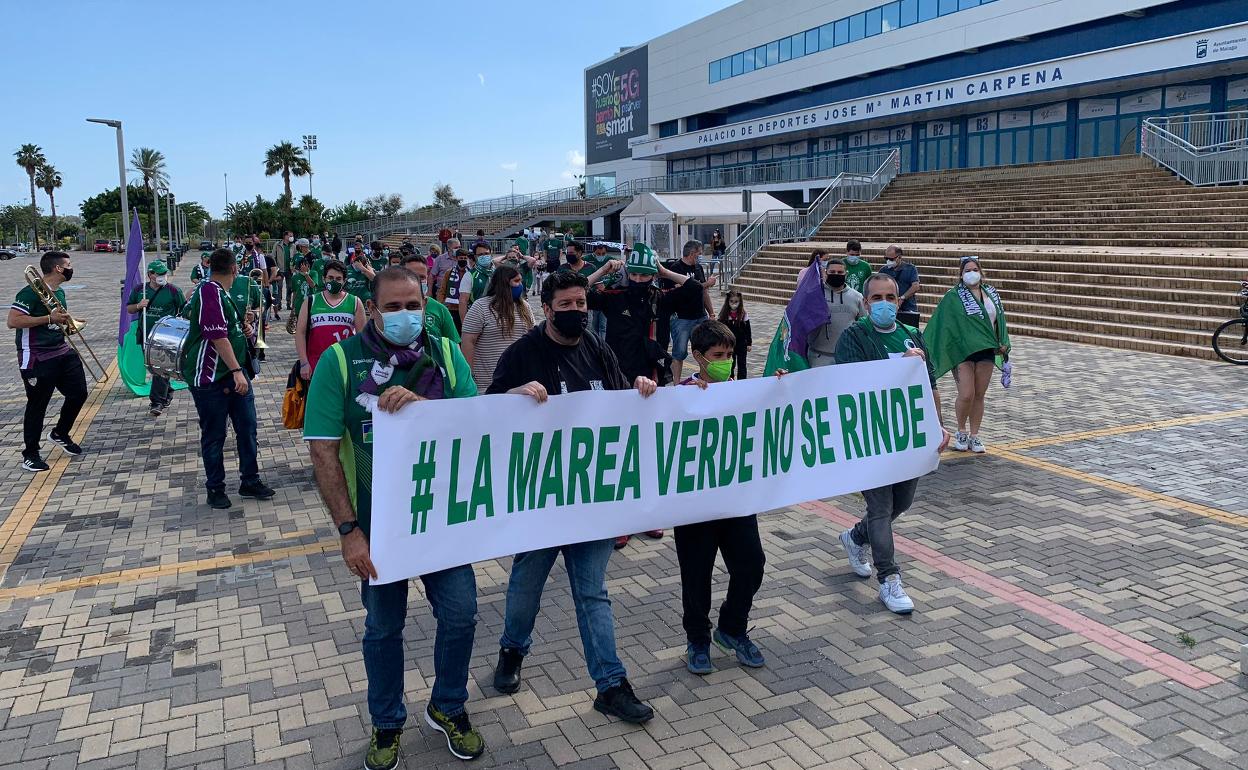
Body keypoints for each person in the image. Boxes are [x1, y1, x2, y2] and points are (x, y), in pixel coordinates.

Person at [304, 267, 484, 768]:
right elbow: (321, 452)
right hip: (377, 527)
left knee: (462, 614)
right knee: (384, 629)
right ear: (373, 308)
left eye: (414, 306)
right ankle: (386, 723)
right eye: (394, 307)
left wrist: (426, 407)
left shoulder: (445, 354)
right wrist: (348, 532)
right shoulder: (339, 362)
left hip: (441, 519)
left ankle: (448, 706)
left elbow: (475, 422)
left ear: (426, 305)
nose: (406, 316)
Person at [487, 270, 657, 725]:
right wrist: (513, 395)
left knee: (593, 594)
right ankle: (512, 651)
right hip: (542, 500)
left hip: (591, 502)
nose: (576, 312)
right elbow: (485, 413)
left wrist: (643, 390)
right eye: (566, 305)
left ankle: (611, 684)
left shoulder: (597, 349)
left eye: (581, 304)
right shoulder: (522, 353)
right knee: (526, 585)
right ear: (547, 309)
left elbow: (623, 402)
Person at [833, 273, 950, 614]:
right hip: (870, 438)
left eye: (890, 297)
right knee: (881, 508)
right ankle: (889, 579)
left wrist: (938, 427)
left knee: (902, 503)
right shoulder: (855, 336)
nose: (884, 303)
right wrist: (899, 367)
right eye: (877, 298)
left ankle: (855, 537)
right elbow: (851, 382)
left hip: (907, 438)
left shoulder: (912, 336)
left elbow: (931, 387)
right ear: (866, 303)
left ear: (899, 301)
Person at [675, 320, 766, 674]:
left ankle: (732, 627)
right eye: (718, 355)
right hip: (694, 505)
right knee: (696, 573)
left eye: (729, 354)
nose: (726, 361)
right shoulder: (681, 395)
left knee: (751, 564)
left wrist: (781, 388)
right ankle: (698, 638)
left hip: (736, 500)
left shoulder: (740, 391)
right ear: (698, 357)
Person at [182, 248, 275, 510]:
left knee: (247, 428)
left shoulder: (218, 292)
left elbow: (225, 327)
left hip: (234, 373)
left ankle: (250, 479)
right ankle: (215, 488)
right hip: (213, 377)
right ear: (234, 269)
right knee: (214, 435)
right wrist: (236, 370)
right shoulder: (209, 290)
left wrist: (242, 327)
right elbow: (216, 335)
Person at [8, 251, 88, 472]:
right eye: (68, 264)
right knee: (38, 405)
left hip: (61, 351)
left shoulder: (59, 293)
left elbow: (57, 320)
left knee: (79, 392)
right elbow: (13, 321)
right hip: (36, 356)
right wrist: (48, 318)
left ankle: (60, 433)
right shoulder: (30, 293)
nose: (71, 268)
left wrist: (70, 323)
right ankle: (30, 454)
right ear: (58, 269)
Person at [923, 257, 1011, 454]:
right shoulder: (953, 296)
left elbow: (1000, 321)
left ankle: (975, 434)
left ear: (980, 271)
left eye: (974, 269)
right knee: (966, 393)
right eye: (967, 270)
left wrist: (1004, 343)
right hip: (963, 352)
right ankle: (961, 430)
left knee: (979, 395)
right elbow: (942, 324)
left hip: (987, 350)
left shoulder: (992, 295)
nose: (971, 273)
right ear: (961, 275)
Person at [126, 260, 186, 416]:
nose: (162, 276)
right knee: (156, 368)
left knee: (160, 367)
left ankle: (157, 402)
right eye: (158, 274)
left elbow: (184, 310)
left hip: (165, 337)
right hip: (146, 334)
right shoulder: (140, 290)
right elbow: (129, 308)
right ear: (150, 275)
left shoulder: (173, 291)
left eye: (164, 273)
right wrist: (139, 305)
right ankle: (167, 391)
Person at [461, 265, 534, 391]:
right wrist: (468, 375)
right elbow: (468, 341)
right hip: (486, 384)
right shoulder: (480, 307)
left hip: (519, 383)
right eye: (516, 281)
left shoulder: (525, 307)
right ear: (504, 283)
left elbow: (532, 338)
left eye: (520, 281)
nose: (520, 285)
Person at [296, 259, 365, 382]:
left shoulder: (355, 302)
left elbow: (361, 338)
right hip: (316, 363)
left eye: (338, 279)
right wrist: (304, 363)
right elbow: (300, 333)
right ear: (324, 279)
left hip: (345, 363)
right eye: (330, 278)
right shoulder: (311, 301)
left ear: (344, 281)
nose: (334, 281)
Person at [663, 239, 718, 382]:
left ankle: (707, 378)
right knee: (679, 352)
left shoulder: (698, 268)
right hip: (682, 317)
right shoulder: (675, 268)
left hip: (700, 315)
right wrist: (707, 284)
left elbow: (703, 292)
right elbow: (684, 291)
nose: (699, 257)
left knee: (705, 349)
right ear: (692, 254)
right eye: (699, 254)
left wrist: (711, 313)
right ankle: (676, 383)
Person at [807, 260, 867, 368]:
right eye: (832, 272)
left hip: (847, 355)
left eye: (840, 272)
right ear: (826, 273)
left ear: (846, 274)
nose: (836, 275)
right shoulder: (814, 295)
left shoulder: (857, 297)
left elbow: (863, 324)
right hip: (818, 356)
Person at [399, 254, 460, 344]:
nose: (418, 281)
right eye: (412, 276)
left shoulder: (440, 310)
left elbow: (454, 346)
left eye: (422, 277)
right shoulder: (390, 309)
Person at [879, 245, 921, 327]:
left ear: (899, 257)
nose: (888, 261)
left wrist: (902, 298)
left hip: (908, 308)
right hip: (889, 308)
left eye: (891, 259)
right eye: (886, 258)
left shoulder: (910, 269)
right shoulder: (883, 270)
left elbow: (915, 286)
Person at [717, 290, 752, 380]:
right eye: (731, 301)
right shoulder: (724, 315)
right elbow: (719, 329)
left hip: (741, 344)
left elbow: (748, 330)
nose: (733, 304)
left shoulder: (743, 314)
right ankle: (730, 380)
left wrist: (749, 343)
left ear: (740, 302)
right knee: (730, 364)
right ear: (727, 302)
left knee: (742, 364)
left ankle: (742, 381)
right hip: (728, 344)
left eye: (736, 302)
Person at [271, 230, 293, 312]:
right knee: (279, 287)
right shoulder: (278, 245)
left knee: (290, 287)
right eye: (290, 236)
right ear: (285, 236)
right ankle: (279, 304)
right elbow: (273, 256)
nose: (291, 237)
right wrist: (276, 267)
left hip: (290, 270)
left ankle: (288, 304)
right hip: (280, 270)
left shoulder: (292, 246)